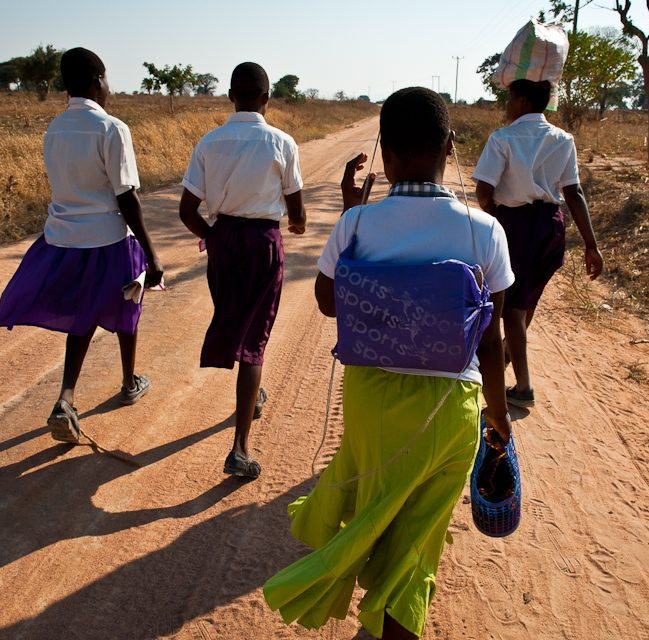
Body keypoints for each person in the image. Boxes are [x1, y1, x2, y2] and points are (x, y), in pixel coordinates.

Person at [263, 87, 514, 640]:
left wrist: (355, 218)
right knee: (419, 542)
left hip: (373, 399)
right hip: (451, 407)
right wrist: (497, 416)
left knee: (377, 507)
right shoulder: (485, 230)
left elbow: (329, 302)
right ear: (450, 146)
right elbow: (490, 339)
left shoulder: (358, 225)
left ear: (384, 150)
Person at [0, 48, 164, 443]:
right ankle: (108, 386)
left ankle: (88, 391)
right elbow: (127, 197)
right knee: (127, 303)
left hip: (63, 240)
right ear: (96, 81)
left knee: (86, 315)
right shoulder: (112, 128)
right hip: (107, 239)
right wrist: (151, 251)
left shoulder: (55, 128)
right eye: (106, 80)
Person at [178, 61, 306, 480]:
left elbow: (186, 209)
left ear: (231, 97)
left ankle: (253, 394)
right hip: (263, 244)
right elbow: (297, 211)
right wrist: (298, 224)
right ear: (267, 99)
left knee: (235, 316)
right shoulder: (282, 143)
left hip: (224, 244)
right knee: (256, 339)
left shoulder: (210, 142)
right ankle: (239, 448)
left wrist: (213, 236)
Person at [473, 78, 603, 409]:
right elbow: (574, 192)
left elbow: (484, 191)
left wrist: (494, 216)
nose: (506, 105)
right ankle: (505, 353)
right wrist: (591, 244)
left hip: (516, 225)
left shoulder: (503, 139)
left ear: (522, 101)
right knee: (525, 300)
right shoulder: (563, 139)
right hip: (551, 227)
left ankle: (523, 387)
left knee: (511, 310)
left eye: (510, 98)